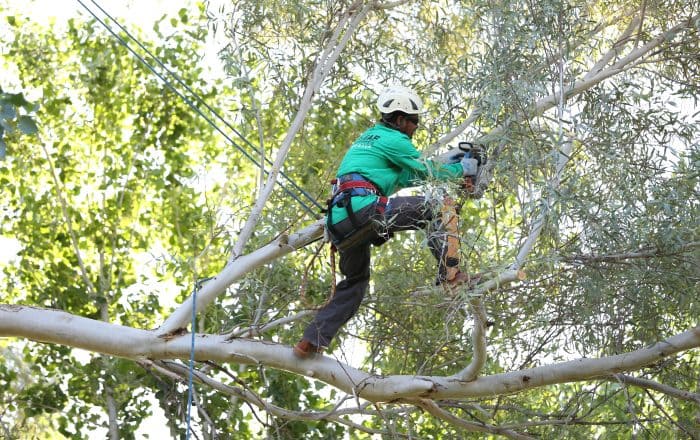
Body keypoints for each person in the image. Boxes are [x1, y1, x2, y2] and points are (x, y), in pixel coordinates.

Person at [293, 85, 482, 358]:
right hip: (364, 209)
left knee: (355, 284)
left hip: (341, 222)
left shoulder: (370, 139)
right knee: (437, 207)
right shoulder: (394, 140)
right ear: (400, 119)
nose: (416, 127)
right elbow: (427, 169)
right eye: (414, 122)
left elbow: (411, 177)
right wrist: (463, 169)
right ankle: (450, 276)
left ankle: (310, 341)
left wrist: (452, 167)